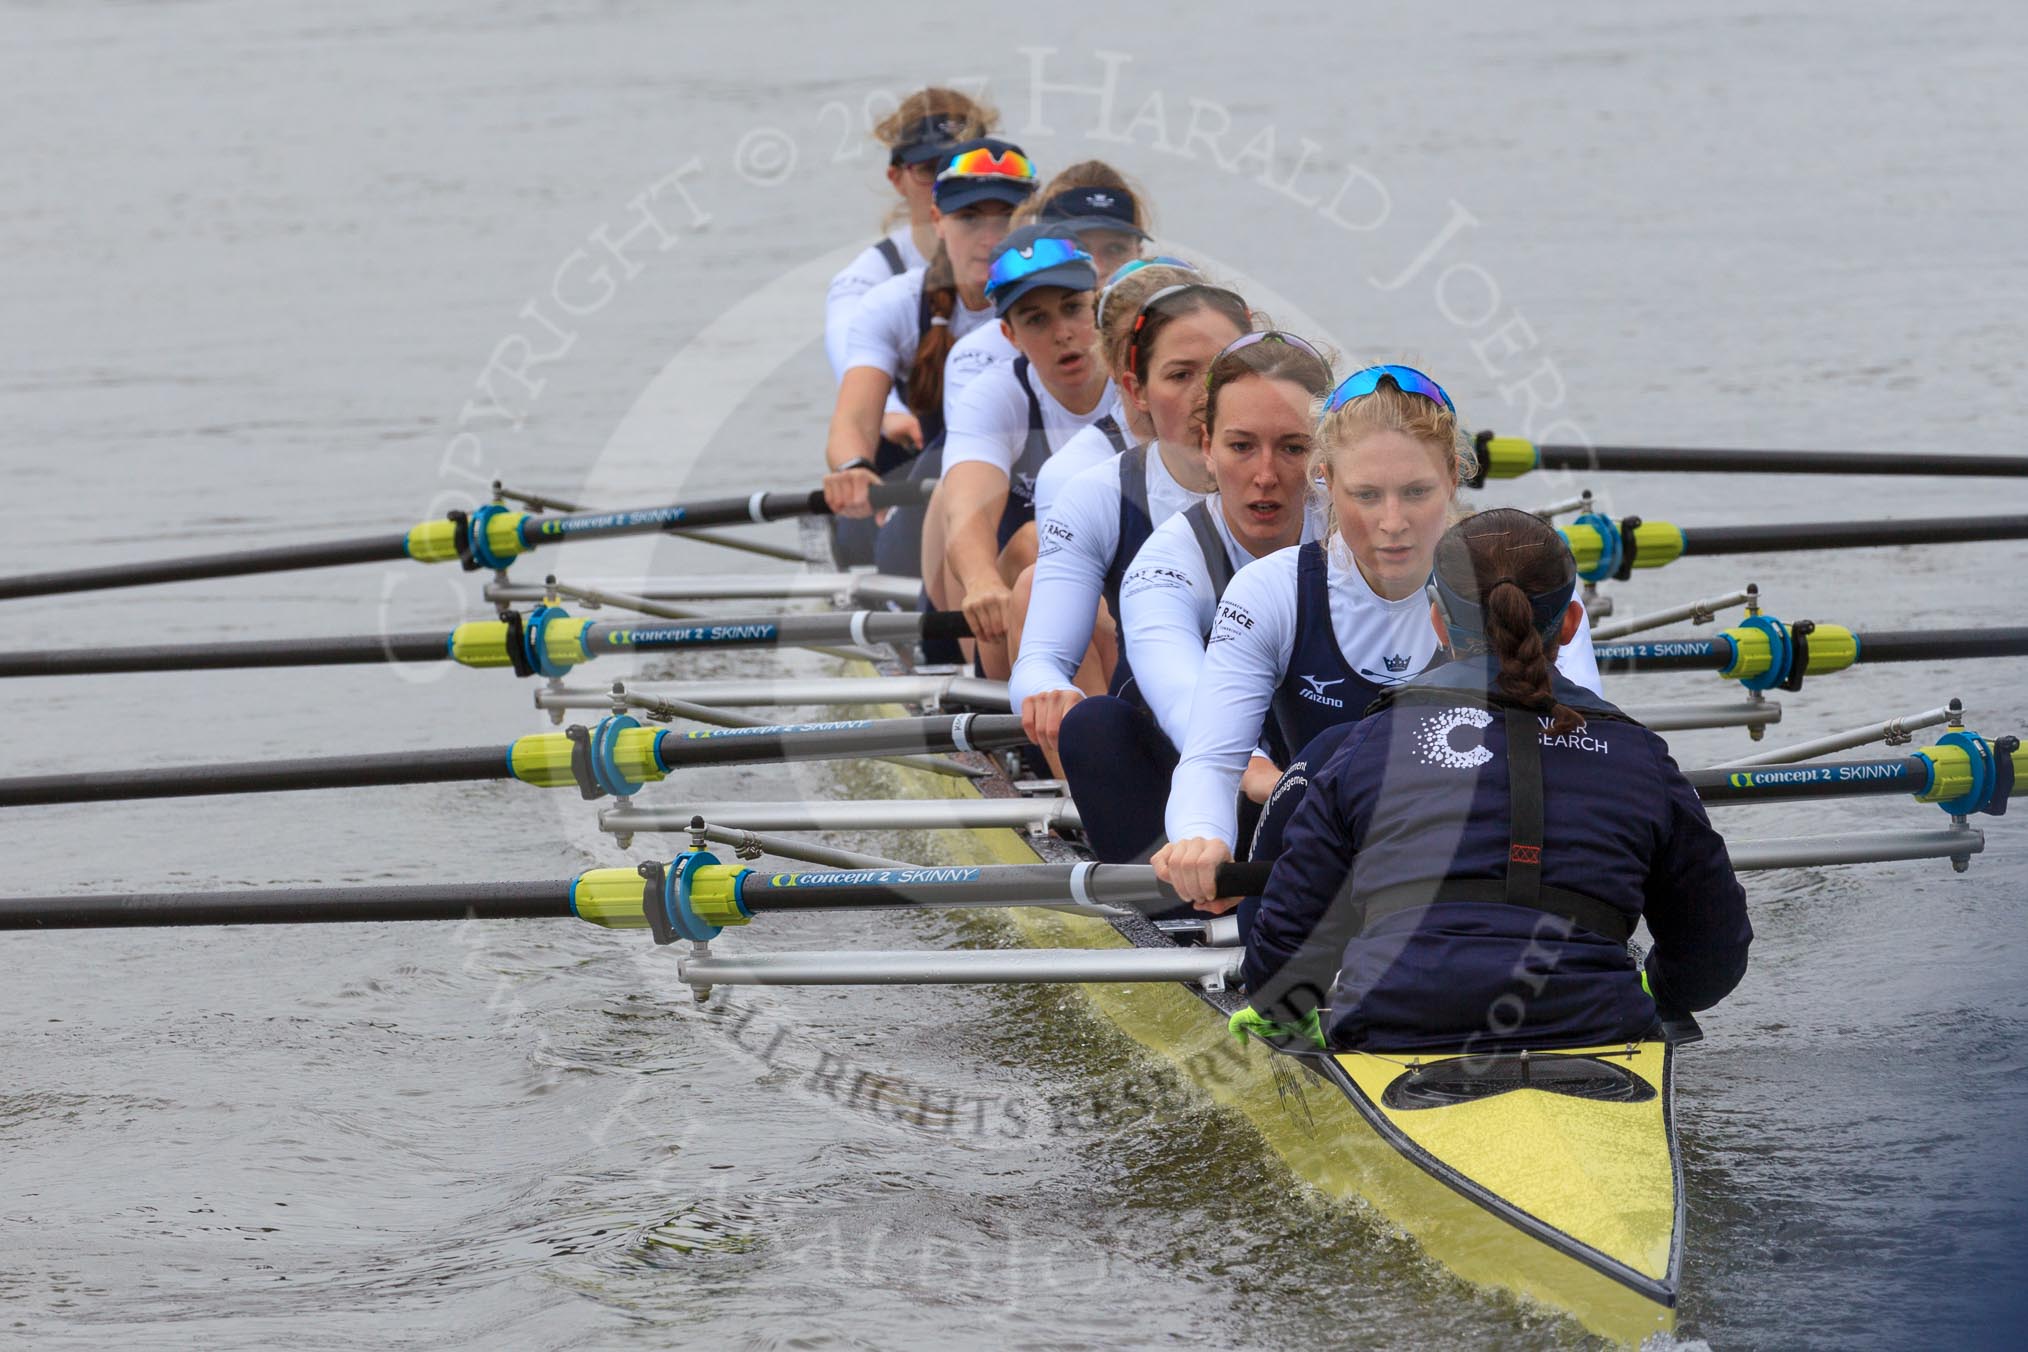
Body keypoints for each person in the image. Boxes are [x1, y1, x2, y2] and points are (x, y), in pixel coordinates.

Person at [1218, 508, 1752, 1051]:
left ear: (1437, 622)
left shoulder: (1363, 748)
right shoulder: (1639, 756)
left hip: (1396, 1027)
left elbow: (1284, 959)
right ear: (1570, 624)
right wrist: (1654, 990)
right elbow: (1716, 955)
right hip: (1598, 1027)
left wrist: (1288, 1010)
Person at [1154, 365, 1603, 890]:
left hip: (1483, 863)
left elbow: (1584, 745)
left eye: (1416, 492)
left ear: (1454, 480)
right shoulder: (1271, 591)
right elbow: (1211, 760)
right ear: (1325, 481)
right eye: (1367, 495)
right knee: (1323, 767)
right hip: (1325, 868)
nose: (1393, 522)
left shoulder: (1525, 575)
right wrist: (1201, 836)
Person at [1005, 280, 1251, 740]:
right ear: (1136, 391)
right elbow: (1042, 659)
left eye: (1225, 372)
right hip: (1160, 738)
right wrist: (1049, 690)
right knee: (1098, 724)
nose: (1205, 396)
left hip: (1302, 747)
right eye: (1181, 375)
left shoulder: (1324, 489)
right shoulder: (1097, 494)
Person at [921, 229, 1121, 678]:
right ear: (1010, 334)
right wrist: (981, 581)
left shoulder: (1141, 387)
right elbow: (967, 512)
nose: (1063, 333)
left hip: (1129, 599)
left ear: (1099, 305)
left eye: (1073, 309)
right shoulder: (993, 397)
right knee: (1039, 539)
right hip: (1020, 615)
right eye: (1036, 320)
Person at [820, 138, 1037, 526]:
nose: (989, 239)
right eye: (969, 218)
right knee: (857, 523)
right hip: (937, 497)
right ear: (938, 220)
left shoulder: (1063, 306)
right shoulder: (894, 305)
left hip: (1036, 491)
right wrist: (853, 467)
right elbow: (853, 420)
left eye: (1006, 218)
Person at [819, 91, 995, 567]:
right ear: (897, 178)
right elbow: (849, 375)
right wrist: (892, 415)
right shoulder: (871, 282)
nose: (944, 180)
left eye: (960, 165)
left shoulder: (1032, 266)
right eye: (928, 168)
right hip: (907, 460)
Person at [942, 162, 1154, 415]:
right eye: (1081, 249)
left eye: (1115, 250)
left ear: (1139, 254)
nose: (1097, 269)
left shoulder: (1161, 339)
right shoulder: (980, 355)